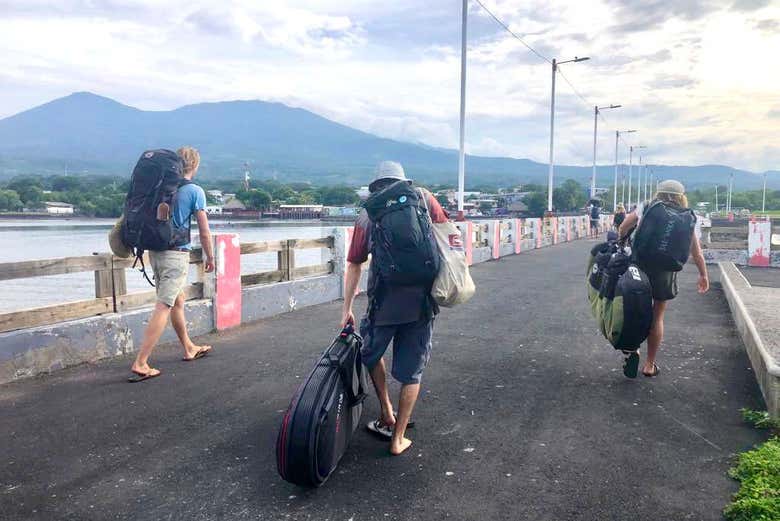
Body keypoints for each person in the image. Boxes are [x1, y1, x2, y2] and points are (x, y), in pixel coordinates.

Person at [340, 161, 447, 455]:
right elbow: (449, 240)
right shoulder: (424, 199)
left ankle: (386, 412)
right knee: (412, 371)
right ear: (403, 181)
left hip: (383, 302)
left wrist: (346, 308)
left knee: (371, 353)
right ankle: (398, 439)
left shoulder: (368, 213)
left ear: (376, 185)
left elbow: (354, 264)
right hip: (422, 302)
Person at [129, 146, 215, 382]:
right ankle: (141, 362)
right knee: (164, 305)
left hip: (155, 252)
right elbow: (205, 231)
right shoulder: (194, 191)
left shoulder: (160, 187)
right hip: (176, 254)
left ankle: (189, 347)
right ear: (195, 166)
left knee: (177, 300)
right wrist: (210, 257)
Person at [618, 180, 709, 378]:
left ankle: (633, 349)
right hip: (665, 272)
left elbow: (624, 226)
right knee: (657, 316)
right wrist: (703, 275)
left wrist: (622, 241)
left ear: (658, 193)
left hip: (639, 266)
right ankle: (650, 365)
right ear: (681, 196)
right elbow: (696, 252)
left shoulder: (647, 207)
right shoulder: (687, 216)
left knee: (633, 309)